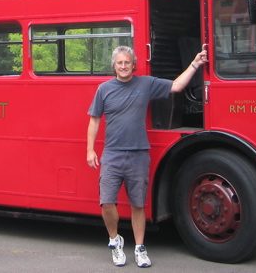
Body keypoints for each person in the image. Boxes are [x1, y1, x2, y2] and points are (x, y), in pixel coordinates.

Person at [87, 44, 208, 268]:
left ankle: (140, 248)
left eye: (127, 62)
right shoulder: (104, 89)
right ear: (114, 66)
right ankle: (115, 241)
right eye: (119, 63)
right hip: (112, 154)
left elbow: (177, 86)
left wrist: (195, 63)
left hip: (138, 154)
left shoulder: (146, 83)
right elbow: (94, 120)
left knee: (138, 205)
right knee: (106, 203)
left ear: (134, 65)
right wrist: (90, 149)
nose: (123, 66)